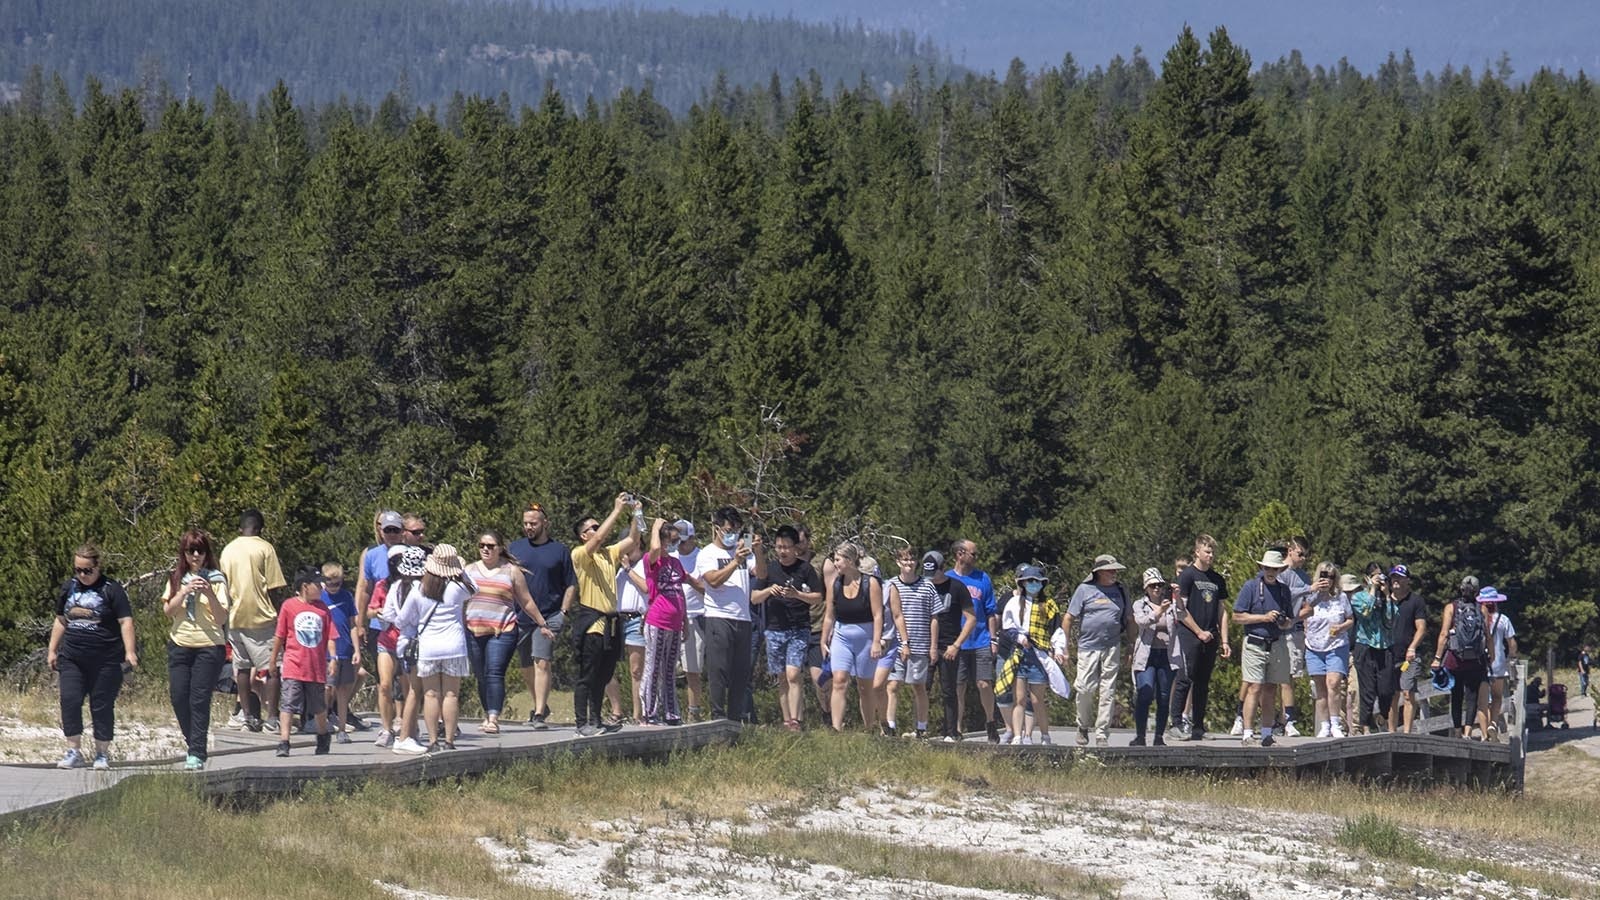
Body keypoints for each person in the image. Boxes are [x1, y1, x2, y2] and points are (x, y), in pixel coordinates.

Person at [49, 544, 135, 770]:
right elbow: (61, 619)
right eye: (78, 570)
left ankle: (101, 753)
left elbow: (125, 621)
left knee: (101, 705)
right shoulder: (69, 588)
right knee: (70, 699)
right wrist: (52, 649)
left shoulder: (111, 589)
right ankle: (73, 750)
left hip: (105, 658)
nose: (82, 575)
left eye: (87, 570)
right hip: (73, 657)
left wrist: (130, 651)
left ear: (98, 567)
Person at [465, 529, 554, 734]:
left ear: (500, 548)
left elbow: (526, 601)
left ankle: (494, 718)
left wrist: (542, 623)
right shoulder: (469, 570)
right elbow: (459, 600)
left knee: (495, 672)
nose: (486, 550)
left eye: (490, 546)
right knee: (481, 674)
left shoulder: (511, 571)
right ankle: (488, 713)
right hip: (474, 629)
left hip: (502, 629)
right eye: (482, 546)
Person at [570, 493, 642, 736]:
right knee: (587, 675)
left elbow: (633, 539)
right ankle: (582, 723)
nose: (598, 530)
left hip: (611, 622)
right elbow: (599, 538)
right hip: (592, 622)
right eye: (593, 528)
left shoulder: (608, 554)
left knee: (604, 674)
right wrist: (617, 510)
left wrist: (636, 514)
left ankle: (597, 720)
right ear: (583, 535)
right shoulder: (580, 554)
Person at [161, 529, 231, 770]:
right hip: (180, 643)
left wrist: (208, 592)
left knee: (199, 698)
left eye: (201, 550)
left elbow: (221, 617)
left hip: (209, 646)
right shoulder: (175, 578)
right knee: (179, 697)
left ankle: (197, 753)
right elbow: (169, 612)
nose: (196, 555)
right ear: (184, 553)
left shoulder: (217, 579)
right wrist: (185, 591)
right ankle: (194, 742)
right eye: (192, 551)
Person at [392, 544, 473, 752]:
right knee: (451, 695)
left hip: (428, 647)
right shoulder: (459, 589)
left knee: (430, 694)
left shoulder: (420, 590)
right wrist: (459, 570)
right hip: (454, 646)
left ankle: (432, 741)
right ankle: (449, 741)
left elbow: (401, 620)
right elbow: (475, 588)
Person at [691, 507, 767, 723]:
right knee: (719, 670)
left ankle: (735, 720)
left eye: (736, 529)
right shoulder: (707, 553)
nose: (731, 533)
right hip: (718, 616)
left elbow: (761, 574)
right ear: (716, 528)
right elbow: (712, 581)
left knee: (740, 673)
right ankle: (717, 717)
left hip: (742, 618)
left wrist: (759, 551)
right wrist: (735, 562)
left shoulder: (745, 551)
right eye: (727, 529)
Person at [507, 502, 576, 730]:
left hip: (549, 616)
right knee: (526, 665)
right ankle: (540, 703)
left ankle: (538, 714)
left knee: (542, 662)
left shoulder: (559, 551)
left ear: (545, 523)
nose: (529, 527)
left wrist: (563, 612)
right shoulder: (515, 548)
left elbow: (571, 584)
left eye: (533, 523)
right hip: (521, 616)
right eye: (526, 523)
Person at [218, 509, 288, 733]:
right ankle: (272, 718)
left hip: (235, 617)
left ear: (240, 528)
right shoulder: (265, 548)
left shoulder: (228, 550)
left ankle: (247, 717)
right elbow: (275, 586)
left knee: (241, 668)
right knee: (274, 669)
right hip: (262, 618)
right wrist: (280, 614)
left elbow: (223, 585)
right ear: (260, 529)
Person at [754, 525, 823, 731]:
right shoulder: (770, 569)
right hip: (775, 629)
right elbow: (754, 597)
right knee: (782, 676)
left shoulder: (805, 569)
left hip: (798, 628)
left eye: (786, 547)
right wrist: (768, 590)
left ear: (795, 548)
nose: (782, 551)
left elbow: (818, 597)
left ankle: (796, 720)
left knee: (793, 673)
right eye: (778, 547)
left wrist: (797, 595)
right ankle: (787, 720)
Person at [1234, 547, 1295, 747]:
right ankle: (1247, 733)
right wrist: (1263, 617)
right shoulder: (1251, 587)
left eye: (1275, 569)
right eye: (1268, 568)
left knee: (1270, 689)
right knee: (1254, 687)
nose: (1271, 572)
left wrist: (1283, 622)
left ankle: (1267, 734)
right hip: (1254, 642)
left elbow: (1290, 620)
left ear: (1280, 571)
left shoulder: (1284, 590)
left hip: (1276, 644)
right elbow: (1237, 616)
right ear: (1262, 567)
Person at [270, 568, 334, 757]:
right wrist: (273, 660)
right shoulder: (289, 606)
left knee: (318, 706)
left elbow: (330, 635)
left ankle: (323, 736)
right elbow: (280, 635)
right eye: (317, 584)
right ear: (305, 587)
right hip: (293, 664)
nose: (321, 587)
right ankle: (284, 741)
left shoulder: (323, 609)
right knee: (288, 702)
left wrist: (333, 658)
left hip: (315, 666)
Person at [371, 544, 429, 752]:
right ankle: (390, 730)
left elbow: (390, 615)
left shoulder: (416, 587)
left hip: (408, 641)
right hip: (393, 639)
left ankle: (409, 729)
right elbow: (387, 614)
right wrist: (405, 623)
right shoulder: (394, 587)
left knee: (410, 689)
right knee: (387, 685)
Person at [1172, 535, 1230, 741]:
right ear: (1197, 552)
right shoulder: (1187, 576)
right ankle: (1176, 723)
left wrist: (1224, 640)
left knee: (1203, 682)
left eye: (1212, 552)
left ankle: (1198, 726)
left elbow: (1222, 611)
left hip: (1210, 636)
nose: (1210, 555)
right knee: (1185, 677)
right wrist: (1198, 631)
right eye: (1207, 551)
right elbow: (1180, 610)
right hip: (1190, 635)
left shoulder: (1217, 579)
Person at [822, 542, 883, 731]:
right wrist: (824, 640)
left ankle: (869, 726)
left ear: (849, 561)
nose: (835, 564)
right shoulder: (835, 583)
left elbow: (878, 614)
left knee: (864, 686)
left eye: (838, 560)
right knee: (839, 680)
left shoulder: (870, 583)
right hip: (842, 635)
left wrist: (876, 642)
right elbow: (830, 614)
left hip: (865, 637)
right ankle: (836, 728)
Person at [997, 565, 1060, 745]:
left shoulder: (1048, 604)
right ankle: (1018, 735)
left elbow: (1056, 629)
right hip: (1019, 654)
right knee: (1019, 698)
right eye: (1029, 581)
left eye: (1037, 581)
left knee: (1037, 699)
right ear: (1023, 583)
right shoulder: (1014, 602)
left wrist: (1059, 649)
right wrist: (1018, 637)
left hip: (1039, 654)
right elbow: (1007, 626)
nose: (1033, 584)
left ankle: (1044, 735)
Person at [354, 510, 404, 733]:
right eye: (388, 530)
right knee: (384, 677)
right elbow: (365, 588)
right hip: (379, 625)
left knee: (402, 676)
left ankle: (402, 719)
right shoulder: (372, 555)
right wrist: (360, 621)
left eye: (396, 530)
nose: (391, 534)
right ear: (380, 531)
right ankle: (388, 723)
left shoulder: (410, 552)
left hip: (405, 626)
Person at [948, 539, 1002, 743]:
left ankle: (990, 722)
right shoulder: (947, 579)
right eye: (973, 554)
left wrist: (993, 638)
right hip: (957, 642)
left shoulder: (982, 578)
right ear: (960, 554)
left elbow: (990, 611)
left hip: (980, 639)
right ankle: (957, 728)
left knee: (984, 683)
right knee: (958, 686)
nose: (976, 557)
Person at [640, 518, 689, 725]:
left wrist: (685, 618)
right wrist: (655, 528)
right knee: (653, 667)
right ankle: (649, 711)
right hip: (657, 620)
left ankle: (671, 712)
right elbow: (654, 548)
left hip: (675, 623)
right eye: (671, 540)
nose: (674, 544)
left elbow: (680, 590)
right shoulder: (652, 560)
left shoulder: (676, 563)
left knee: (669, 669)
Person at [884, 547, 935, 738]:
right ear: (898, 562)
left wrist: (933, 646)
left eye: (912, 560)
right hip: (895, 644)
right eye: (904, 560)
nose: (908, 563)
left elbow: (934, 617)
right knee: (892, 685)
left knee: (918, 686)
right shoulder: (890, 585)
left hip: (921, 643)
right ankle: (890, 726)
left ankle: (921, 727)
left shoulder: (927, 586)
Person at [926, 551, 976, 742]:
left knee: (949, 690)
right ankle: (920, 728)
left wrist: (956, 644)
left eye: (935, 573)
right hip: (926, 644)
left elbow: (971, 619)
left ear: (942, 568)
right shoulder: (924, 586)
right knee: (922, 687)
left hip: (949, 645)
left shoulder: (957, 587)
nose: (932, 578)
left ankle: (951, 731)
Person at [1433, 584, 1492, 739]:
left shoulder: (1451, 608)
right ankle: (1468, 731)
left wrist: (1437, 658)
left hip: (1455, 659)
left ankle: (1457, 731)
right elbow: (1488, 636)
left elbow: (1444, 633)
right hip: (1476, 660)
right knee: (1472, 696)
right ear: (1477, 592)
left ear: (1461, 590)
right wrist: (1491, 657)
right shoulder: (1482, 609)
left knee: (1456, 694)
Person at [1302, 568, 1355, 738]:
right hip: (1314, 646)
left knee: (1333, 683)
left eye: (1331, 577)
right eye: (1324, 576)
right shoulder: (1310, 596)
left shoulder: (1341, 597)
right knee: (1320, 688)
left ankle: (1336, 724)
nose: (1328, 580)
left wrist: (1340, 627)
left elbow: (1350, 619)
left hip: (1336, 645)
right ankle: (1324, 725)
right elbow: (1301, 614)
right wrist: (1314, 590)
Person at [1131, 567, 1177, 746]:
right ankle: (1140, 736)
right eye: (1152, 586)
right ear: (1146, 589)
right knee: (1145, 691)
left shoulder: (1171, 605)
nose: (1156, 589)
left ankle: (1159, 736)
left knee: (1164, 697)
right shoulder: (1139, 605)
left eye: (1159, 585)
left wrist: (1177, 598)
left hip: (1166, 654)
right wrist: (1158, 612)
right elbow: (1142, 621)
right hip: (1147, 655)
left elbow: (1182, 615)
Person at [1349, 562, 1394, 734]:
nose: (1379, 579)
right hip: (1365, 645)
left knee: (1386, 689)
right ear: (1367, 578)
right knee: (1367, 689)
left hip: (1384, 646)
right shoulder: (1358, 597)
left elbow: (1390, 621)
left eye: (1381, 575)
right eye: (1375, 576)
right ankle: (1365, 726)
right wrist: (1373, 590)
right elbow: (1365, 612)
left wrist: (1387, 596)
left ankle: (1383, 714)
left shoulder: (1385, 597)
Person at [1388, 565, 1428, 734]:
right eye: (1393, 577)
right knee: (1391, 695)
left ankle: (1407, 732)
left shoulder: (1415, 601)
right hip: (1388, 654)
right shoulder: (1384, 601)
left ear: (1407, 580)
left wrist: (1412, 647)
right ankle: (1391, 732)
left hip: (1409, 656)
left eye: (1399, 577)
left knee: (1407, 693)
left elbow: (1421, 627)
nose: (1395, 581)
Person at [323, 572, 359, 743]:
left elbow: (352, 625)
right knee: (327, 688)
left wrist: (357, 650)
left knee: (343, 691)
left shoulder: (347, 597)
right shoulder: (320, 597)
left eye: (337, 584)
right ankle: (323, 721)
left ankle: (342, 729)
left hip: (345, 649)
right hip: (326, 652)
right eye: (330, 584)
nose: (333, 588)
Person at [617, 543, 650, 722]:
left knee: (637, 669)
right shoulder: (619, 570)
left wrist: (628, 569)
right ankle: (619, 710)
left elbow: (646, 587)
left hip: (637, 618)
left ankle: (640, 714)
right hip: (620, 618)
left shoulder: (644, 564)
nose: (626, 554)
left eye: (630, 550)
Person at [1481, 588, 1517, 741]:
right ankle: (1493, 723)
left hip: (1480, 663)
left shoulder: (1477, 618)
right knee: (1497, 697)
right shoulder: (1503, 619)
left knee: (1482, 701)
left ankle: (1484, 734)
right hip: (1498, 663)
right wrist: (1511, 658)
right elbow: (1512, 643)